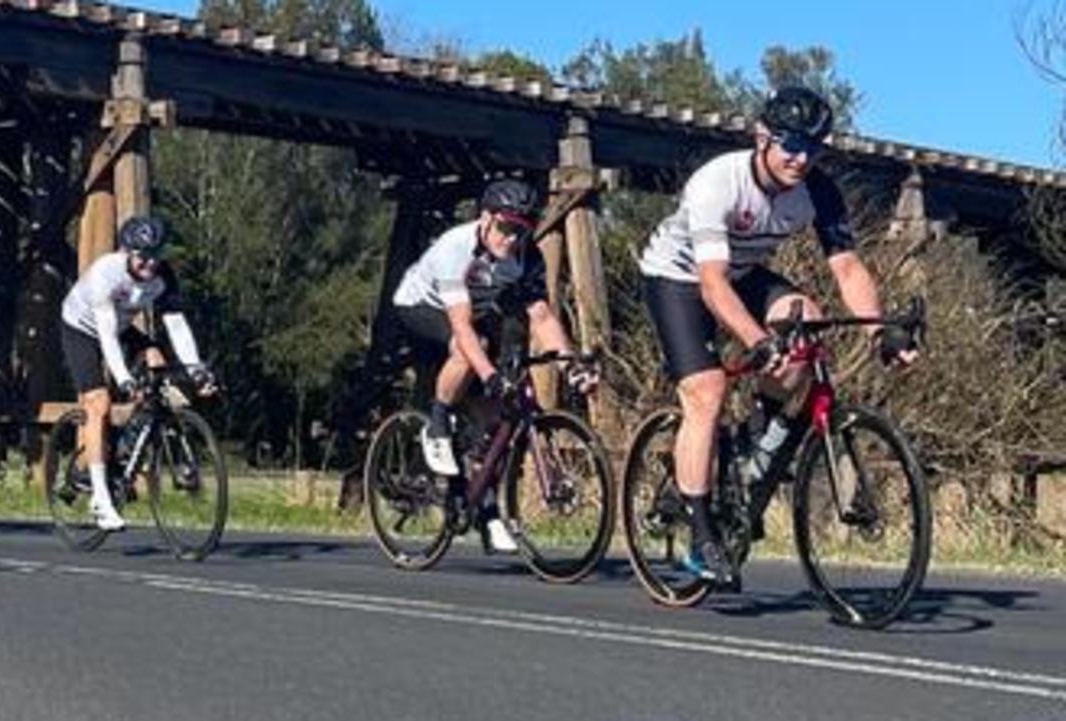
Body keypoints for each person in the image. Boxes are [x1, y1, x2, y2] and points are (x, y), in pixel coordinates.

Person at [638, 86, 919, 584]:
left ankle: (751, 445)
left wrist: (880, 332)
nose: (801, 158)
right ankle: (701, 534)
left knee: (805, 321)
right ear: (762, 137)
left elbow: (848, 268)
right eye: (790, 145)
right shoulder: (717, 184)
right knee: (707, 391)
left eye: (813, 147)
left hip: (742, 274)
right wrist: (756, 342)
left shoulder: (817, 189)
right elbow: (711, 284)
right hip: (679, 277)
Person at [392, 178, 598, 552]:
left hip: (480, 310)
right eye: (504, 228)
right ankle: (436, 423)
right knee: (473, 348)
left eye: (521, 231)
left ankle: (483, 508)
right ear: (485, 219)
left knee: (493, 416)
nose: (511, 239)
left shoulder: (526, 256)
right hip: (422, 308)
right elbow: (462, 329)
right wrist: (488, 375)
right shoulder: (456, 247)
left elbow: (542, 316)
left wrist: (570, 365)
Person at [60, 215, 217, 531]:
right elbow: (106, 337)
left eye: (156, 255)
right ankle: (101, 500)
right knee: (99, 403)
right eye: (142, 256)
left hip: (121, 326)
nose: (150, 263)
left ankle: (128, 441)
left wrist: (196, 368)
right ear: (126, 251)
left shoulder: (163, 277)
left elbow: (176, 325)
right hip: (83, 328)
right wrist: (125, 380)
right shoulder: (107, 273)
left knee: (158, 361)